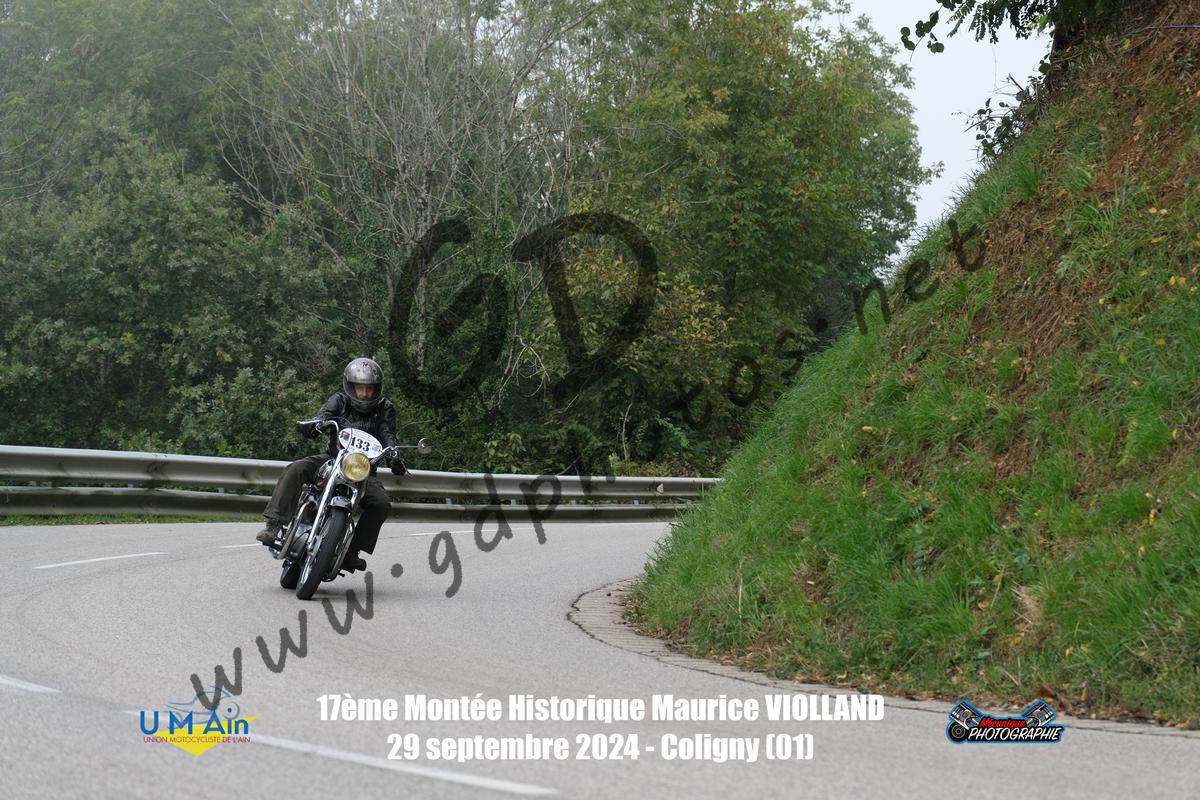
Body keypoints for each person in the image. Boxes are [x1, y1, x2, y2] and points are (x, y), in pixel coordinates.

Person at [255, 357, 406, 572]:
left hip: (363, 471)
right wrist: (315, 426)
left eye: (369, 389)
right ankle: (274, 525)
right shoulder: (339, 400)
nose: (364, 394)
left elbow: (387, 433)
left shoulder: (384, 408)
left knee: (381, 502)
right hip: (333, 459)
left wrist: (394, 455)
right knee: (296, 468)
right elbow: (325, 417)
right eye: (360, 388)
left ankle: (352, 551)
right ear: (350, 387)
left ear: (377, 389)